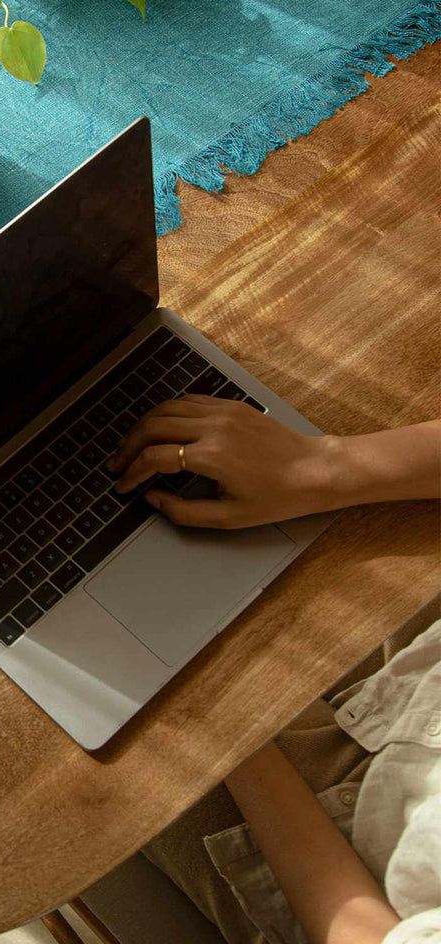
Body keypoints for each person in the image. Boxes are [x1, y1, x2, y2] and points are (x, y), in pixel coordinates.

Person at [104, 396, 441, 944]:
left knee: (76, 719)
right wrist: (325, 465)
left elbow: (362, 931)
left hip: (337, 848)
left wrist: (223, 726)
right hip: (428, 663)